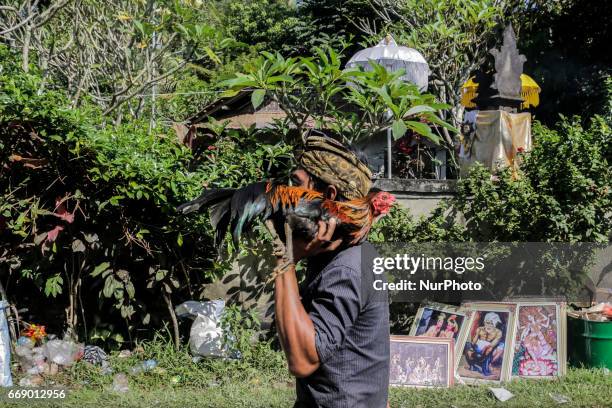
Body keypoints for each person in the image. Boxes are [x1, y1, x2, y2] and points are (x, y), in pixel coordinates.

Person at [273, 134, 390, 408]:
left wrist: (283, 262)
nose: (289, 194)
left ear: (329, 196)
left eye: (297, 184)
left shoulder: (346, 269)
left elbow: (302, 361)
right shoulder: (343, 253)